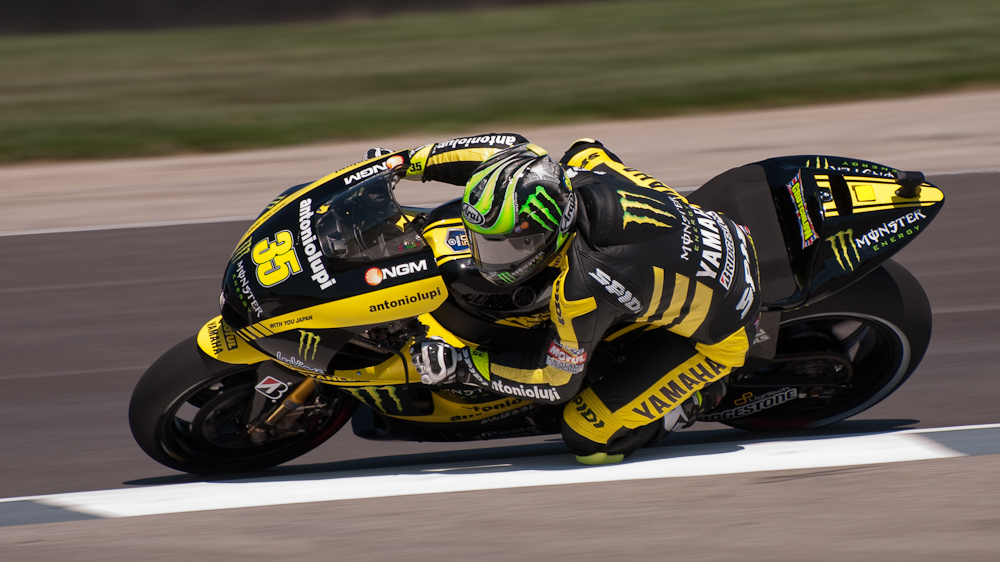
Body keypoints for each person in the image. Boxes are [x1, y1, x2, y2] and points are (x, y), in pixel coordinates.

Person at [401, 133, 761, 464]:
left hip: (723, 326)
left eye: (512, 244)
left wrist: (464, 366)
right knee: (586, 148)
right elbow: (507, 148)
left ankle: (699, 396)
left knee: (586, 435)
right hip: (716, 228)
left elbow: (555, 381)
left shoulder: (583, 286)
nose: (491, 258)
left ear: (552, 230)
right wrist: (405, 162)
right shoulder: (576, 170)